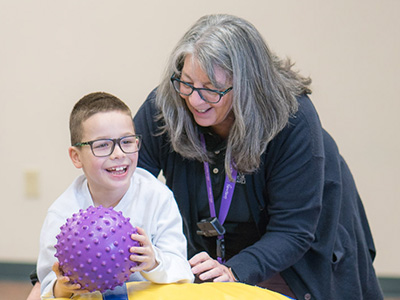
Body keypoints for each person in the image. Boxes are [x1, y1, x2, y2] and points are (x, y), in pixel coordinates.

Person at [133, 14, 383, 299]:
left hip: (293, 249)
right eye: (187, 83)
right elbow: (128, 181)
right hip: (213, 251)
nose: (194, 100)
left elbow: (292, 231)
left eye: (211, 90)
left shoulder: (293, 119)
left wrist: (235, 271)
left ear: (246, 86)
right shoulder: (166, 103)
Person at [36, 92, 194, 299]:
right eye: (102, 145)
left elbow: (183, 271)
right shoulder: (63, 214)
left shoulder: (157, 197)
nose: (118, 154)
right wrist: (64, 287)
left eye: (127, 142)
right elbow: (47, 286)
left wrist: (153, 261)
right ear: (76, 157)